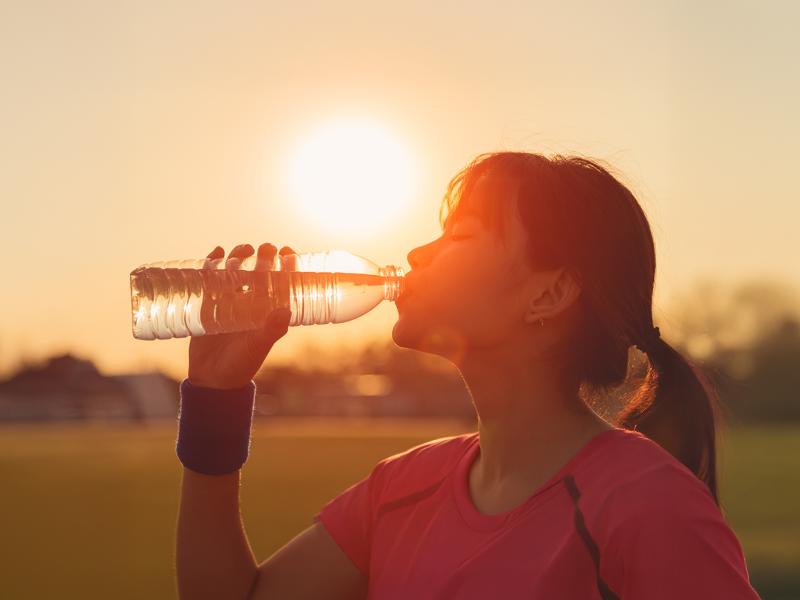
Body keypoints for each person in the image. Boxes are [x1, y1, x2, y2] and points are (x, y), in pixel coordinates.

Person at [174, 152, 762, 599]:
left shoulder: (648, 506)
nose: (416, 255)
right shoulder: (402, 489)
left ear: (549, 292)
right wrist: (215, 397)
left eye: (459, 235)